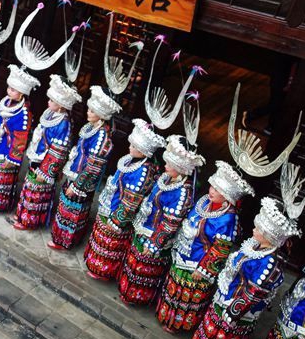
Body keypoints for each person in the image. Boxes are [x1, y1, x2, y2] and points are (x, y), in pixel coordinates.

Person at [156, 162, 253, 333]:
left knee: (188, 296)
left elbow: (220, 250)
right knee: (173, 288)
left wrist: (203, 269)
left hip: (198, 263)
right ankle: (166, 316)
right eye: (212, 187)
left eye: (217, 190)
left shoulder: (228, 220)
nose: (212, 191)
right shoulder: (204, 202)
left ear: (228, 196)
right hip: (184, 254)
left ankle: (179, 324)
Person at [194, 191, 301, 339]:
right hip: (226, 295)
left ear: (268, 236)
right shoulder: (254, 245)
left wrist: (233, 313)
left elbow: (253, 293)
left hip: (235, 311)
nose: (253, 230)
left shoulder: (269, 263)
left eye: (257, 229)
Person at [117, 135, 202, 306]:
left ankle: (138, 297)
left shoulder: (183, 193)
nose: (166, 166)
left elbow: (169, 224)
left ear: (180, 168)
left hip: (156, 238)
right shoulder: (165, 179)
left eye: (170, 165)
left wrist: (154, 244)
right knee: (134, 263)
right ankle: (126, 291)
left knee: (145, 269)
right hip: (144, 228)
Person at [83, 119, 163, 280]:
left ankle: (105, 271)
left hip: (118, 213)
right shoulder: (130, 160)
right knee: (101, 237)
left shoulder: (143, 172)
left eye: (134, 146)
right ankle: (95, 264)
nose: (129, 147)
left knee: (111, 243)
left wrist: (117, 221)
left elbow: (130, 202)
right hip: (111, 204)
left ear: (143, 151)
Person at [49, 85, 119, 250]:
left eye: (92, 111)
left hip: (82, 181)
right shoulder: (90, 128)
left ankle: (66, 241)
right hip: (75, 174)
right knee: (66, 207)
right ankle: (60, 237)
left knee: (74, 210)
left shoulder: (102, 137)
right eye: (89, 109)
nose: (88, 113)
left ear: (101, 116)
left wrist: (77, 186)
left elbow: (93, 167)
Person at [12, 74, 80, 230]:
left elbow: (59, 152)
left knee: (38, 191)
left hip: (45, 165)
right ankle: (23, 214)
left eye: (52, 100)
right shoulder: (49, 113)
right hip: (37, 158)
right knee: (28, 187)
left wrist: (45, 173)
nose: (48, 102)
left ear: (62, 105)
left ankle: (30, 221)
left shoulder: (64, 124)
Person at [0, 65, 37, 213]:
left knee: (0, 176)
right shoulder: (6, 102)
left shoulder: (24, 114)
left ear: (22, 93)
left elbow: (20, 140)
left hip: (6, 149)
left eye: (13, 89)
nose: (9, 90)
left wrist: (12, 158)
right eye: (9, 87)